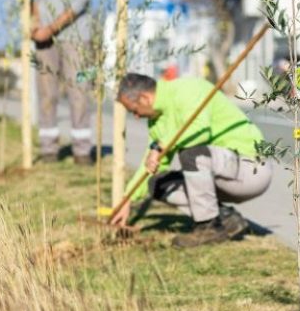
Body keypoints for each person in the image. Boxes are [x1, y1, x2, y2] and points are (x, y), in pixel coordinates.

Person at [109, 72, 273, 248]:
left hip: (250, 168)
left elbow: (200, 131)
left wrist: (161, 146)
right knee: (156, 183)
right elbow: (150, 165)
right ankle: (226, 219)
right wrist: (127, 200)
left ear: (144, 98)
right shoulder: (156, 122)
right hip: (220, 174)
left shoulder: (188, 89)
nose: (136, 116)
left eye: (134, 110)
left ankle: (208, 227)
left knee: (192, 154)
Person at [32, 0, 95, 165]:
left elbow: (78, 5)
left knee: (78, 91)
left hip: (76, 39)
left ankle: (81, 150)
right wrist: (35, 25)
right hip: (44, 40)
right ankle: (49, 148)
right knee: (46, 93)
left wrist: (52, 28)